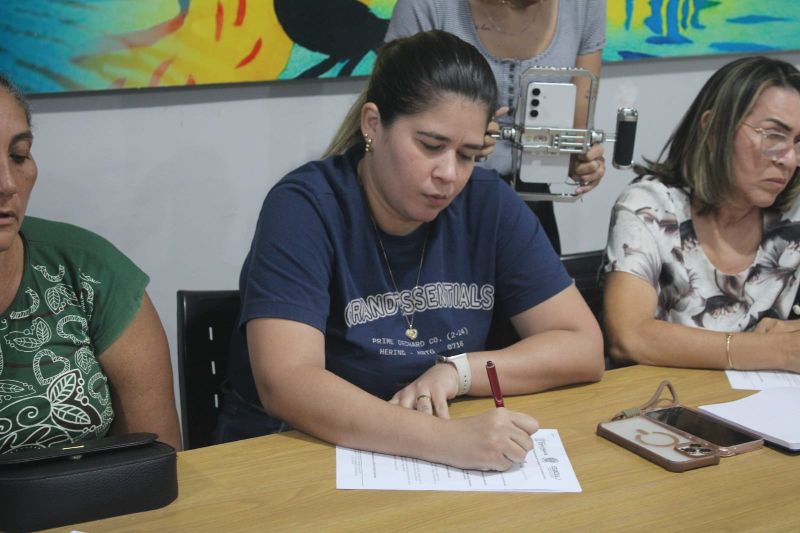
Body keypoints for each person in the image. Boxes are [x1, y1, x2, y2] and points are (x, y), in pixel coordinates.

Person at [216, 30, 603, 472]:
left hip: (428, 447)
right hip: (298, 450)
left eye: (468, 154)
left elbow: (583, 347)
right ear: (373, 125)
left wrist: (458, 371)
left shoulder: (487, 202)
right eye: (430, 146)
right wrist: (447, 440)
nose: (449, 174)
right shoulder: (304, 208)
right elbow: (287, 383)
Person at [0, 74, 182, 453]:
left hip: (96, 493)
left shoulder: (88, 271)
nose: (7, 184)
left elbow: (157, 456)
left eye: (18, 156)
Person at [603, 56, 800, 373]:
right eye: (774, 136)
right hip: (667, 397)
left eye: (799, 142)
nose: (789, 159)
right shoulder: (652, 206)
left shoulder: (793, 214)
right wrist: (772, 350)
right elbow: (628, 336)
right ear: (713, 129)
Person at [384, 0, 607, 254]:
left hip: (530, 211)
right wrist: (461, 141)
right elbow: (390, 114)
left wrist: (581, 159)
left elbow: (578, 130)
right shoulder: (426, 6)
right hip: (437, 204)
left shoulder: (584, 5)